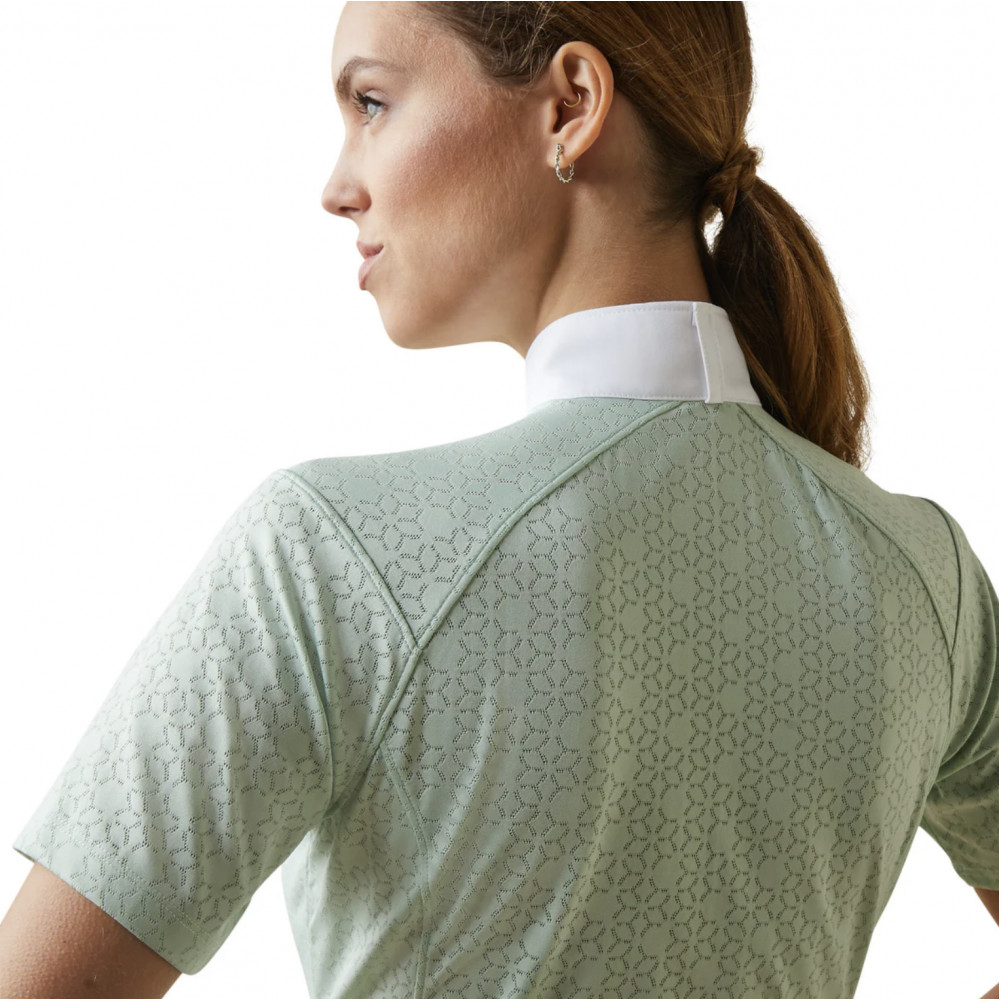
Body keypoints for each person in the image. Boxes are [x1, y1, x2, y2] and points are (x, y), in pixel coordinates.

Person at [0, 1, 996, 997]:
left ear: (570, 104)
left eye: (373, 103)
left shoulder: (333, 554)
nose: (337, 188)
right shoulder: (923, 577)